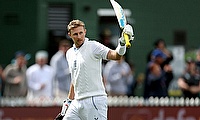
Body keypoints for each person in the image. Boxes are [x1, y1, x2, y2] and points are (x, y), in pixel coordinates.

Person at [55, 19, 134, 120]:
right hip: (77, 102)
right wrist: (69, 100)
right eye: (75, 34)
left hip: (95, 99)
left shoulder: (93, 46)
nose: (79, 37)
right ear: (69, 35)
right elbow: (74, 79)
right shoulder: (69, 53)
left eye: (81, 33)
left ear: (85, 32)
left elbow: (116, 56)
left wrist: (122, 44)